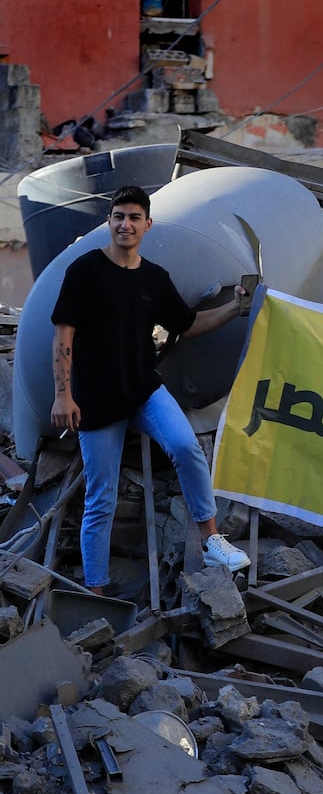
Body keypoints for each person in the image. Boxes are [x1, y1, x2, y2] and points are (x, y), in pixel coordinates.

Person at [50, 184, 251, 595]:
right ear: (109, 222)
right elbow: (63, 334)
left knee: (185, 447)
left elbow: (188, 324)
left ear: (147, 224)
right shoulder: (85, 270)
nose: (126, 224)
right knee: (101, 499)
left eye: (134, 217)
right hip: (95, 398)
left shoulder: (155, 279)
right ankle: (97, 591)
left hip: (143, 389)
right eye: (119, 216)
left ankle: (211, 538)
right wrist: (62, 394)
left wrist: (235, 307)